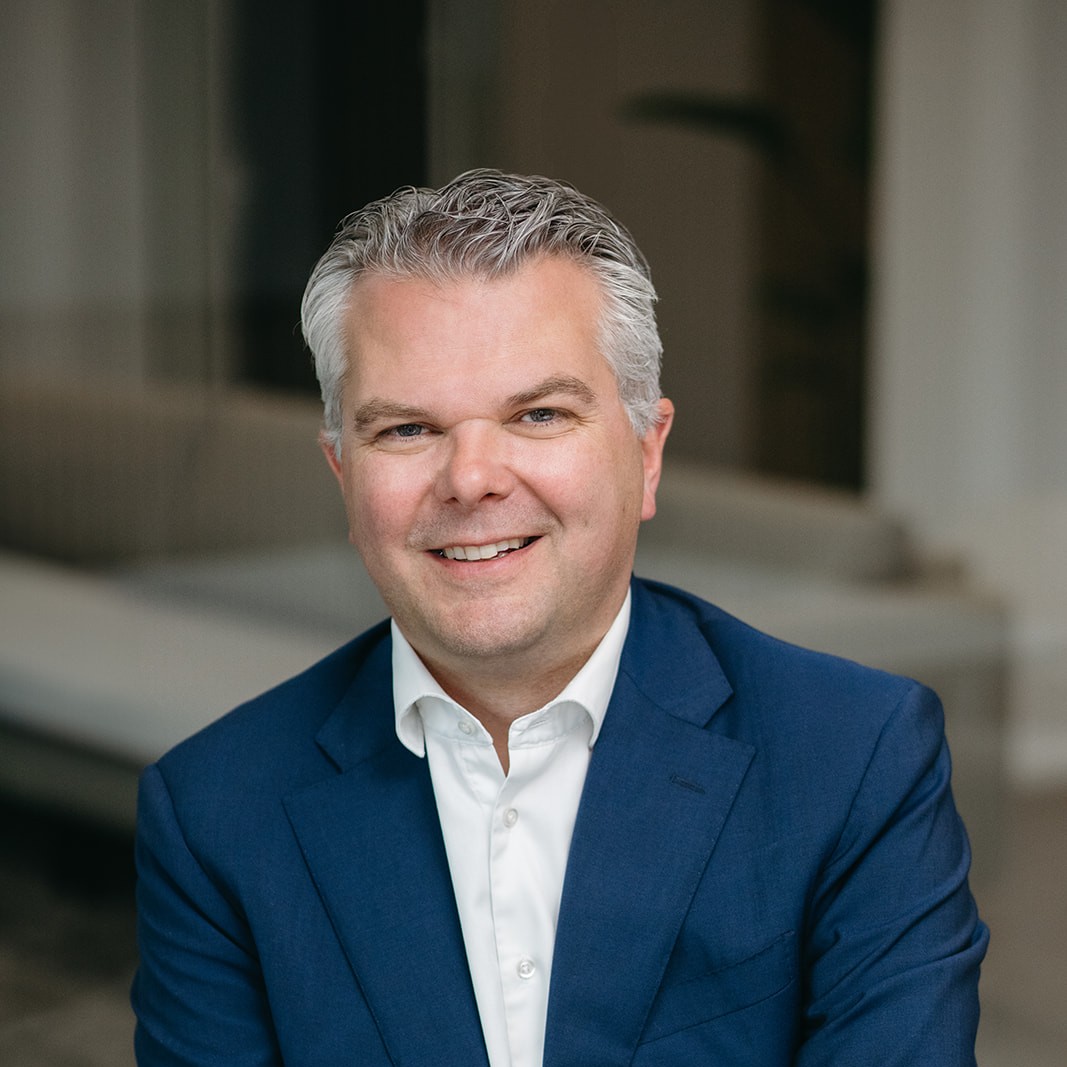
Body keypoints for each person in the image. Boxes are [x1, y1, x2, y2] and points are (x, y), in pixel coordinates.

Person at [132, 169, 987, 1066]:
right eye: (406, 430)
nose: (471, 478)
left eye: (537, 413)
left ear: (647, 455)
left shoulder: (855, 758)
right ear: (344, 477)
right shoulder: (214, 813)